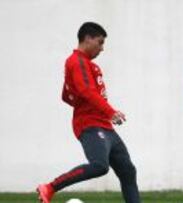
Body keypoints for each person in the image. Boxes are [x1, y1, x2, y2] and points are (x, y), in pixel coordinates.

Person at [36, 22, 141, 203]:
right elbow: (86, 90)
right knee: (100, 166)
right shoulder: (77, 61)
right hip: (90, 124)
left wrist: (95, 109)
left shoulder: (84, 64)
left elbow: (67, 96)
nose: (102, 48)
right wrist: (110, 111)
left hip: (104, 125)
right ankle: (50, 187)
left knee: (128, 171)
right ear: (88, 38)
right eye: (100, 43)